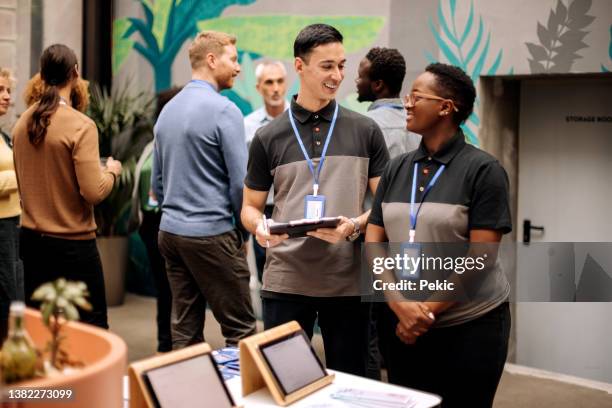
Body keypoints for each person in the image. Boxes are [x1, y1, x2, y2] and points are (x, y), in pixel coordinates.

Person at [241, 24, 389, 377]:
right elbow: (249, 206)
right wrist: (259, 226)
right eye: (327, 66)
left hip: (347, 281)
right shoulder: (267, 136)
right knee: (285, 380)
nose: (337, 75)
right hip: (285, 281)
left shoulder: (365, 130)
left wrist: (355, 225)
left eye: (341, 65)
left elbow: (387, 204)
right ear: (300, 66)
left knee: (351, 384)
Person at [366, 63, 512, 407]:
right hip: (402, 322)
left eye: (416, 96)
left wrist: (423, 313)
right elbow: (374, 242)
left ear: (446, 107)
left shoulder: (484, 170)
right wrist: (398, 304)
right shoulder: (397, 167)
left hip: (471, 326)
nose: (408, 104)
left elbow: (481, 259)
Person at [153, 31, 256, 349]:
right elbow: (240, 186)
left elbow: (157, 184)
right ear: (212, 60)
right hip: (211, 234)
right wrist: (242, 234)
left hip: (170, 233)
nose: (239, 68)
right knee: (241, 331)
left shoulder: (167, 110)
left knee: (184, 330)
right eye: (234, 59)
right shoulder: (226, 111)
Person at [12, 44, 122, 329]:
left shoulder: (22, 123)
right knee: (92, 327)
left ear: (42, 75)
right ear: (75, 73)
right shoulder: (81, 126)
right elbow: (94, 192)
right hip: (74, 247)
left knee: (40, 325)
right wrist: (111, 172)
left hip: (32, 242)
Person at [129, 88, 181, 353]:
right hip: (153, 223)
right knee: (165, 286)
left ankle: (178, 341)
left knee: (178, 287)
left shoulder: (177, 142)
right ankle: (166, 342)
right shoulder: (154, 144)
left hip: (172, 220)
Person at [243, 61, 289, 282]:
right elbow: (244, 172)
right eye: (269, 82)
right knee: (266, 274)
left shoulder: (301, 120)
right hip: (263, 209)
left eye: (279, 81)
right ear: (258, 87)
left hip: (295, 207)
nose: (275, 88)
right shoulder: (248, 126)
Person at [356, 47, 420, 158]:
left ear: (378, 85)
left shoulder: (364, 125)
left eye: (360, 77)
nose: (357, 81)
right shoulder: (419, 124)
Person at [0, 68, 22, 342]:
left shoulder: (4, 135)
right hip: (1, 226)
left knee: (14, 297)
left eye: (8, 90)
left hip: (13, 224)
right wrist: (22, 174)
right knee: (7, 300)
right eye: (0, 90)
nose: (6, 97)